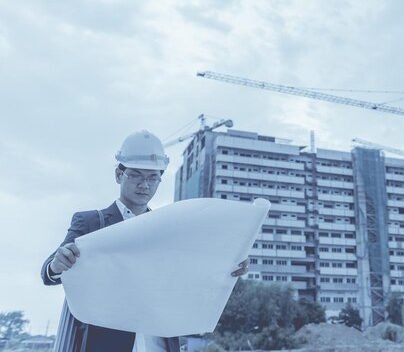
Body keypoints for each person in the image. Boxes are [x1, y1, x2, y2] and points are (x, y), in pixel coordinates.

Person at [41, 130, 249, 352]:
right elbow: (48, 273)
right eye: (136, 175)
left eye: (152, 177)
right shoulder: (91, 221)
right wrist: (57, 265)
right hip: (106, 344)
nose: (145, 185)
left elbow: (188, 277)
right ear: (119, 175)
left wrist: (228, 267)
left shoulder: (168, 231)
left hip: (159, 344)